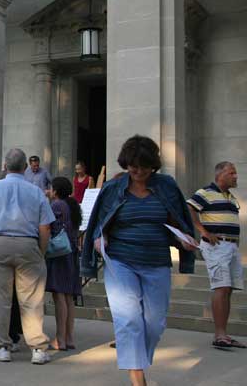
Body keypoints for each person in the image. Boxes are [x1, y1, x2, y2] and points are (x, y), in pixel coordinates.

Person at [81, 135, 197, 386]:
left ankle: (138, 363)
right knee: (129, 320)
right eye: (134, 166)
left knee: (154, 324)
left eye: (145, 167)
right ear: (126, 164)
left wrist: (185, 240)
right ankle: (138, 380)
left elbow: (178, 220)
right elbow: (99, 224)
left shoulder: (166, 186)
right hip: (121, 261)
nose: (139, 172)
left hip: (156, 261)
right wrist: (100, 240)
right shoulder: (113, 188)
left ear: (153, 165)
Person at [0, 148, 55, 365]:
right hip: (28, 243)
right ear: (25, 167)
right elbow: (45, 226)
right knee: (32, 300)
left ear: (5, 166)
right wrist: (41, 251)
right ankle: (37, 348)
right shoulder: (36, 191)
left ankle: (1, 346)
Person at [187, 161, 243, 349]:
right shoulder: (205, 192)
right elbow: (189, 208)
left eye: (235, 173)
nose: (236, 176)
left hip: (231, 247)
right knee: (221, 287)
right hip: (216, 246)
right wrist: (204, 232)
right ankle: (219, 335)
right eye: (231, 173)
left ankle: (224, 334)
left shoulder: (231, 197)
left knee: (228, 289)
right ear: (220, 175)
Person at [45, 176, 82, 351]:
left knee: (59, 295)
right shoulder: (73, 206)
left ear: (56, 191)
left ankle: (60, 338)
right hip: (72, 253)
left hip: (60, 254)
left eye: (51, 188)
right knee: (68, 297)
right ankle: (69, 337)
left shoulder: (56, 205)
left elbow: (48, 226)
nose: (49, 191)